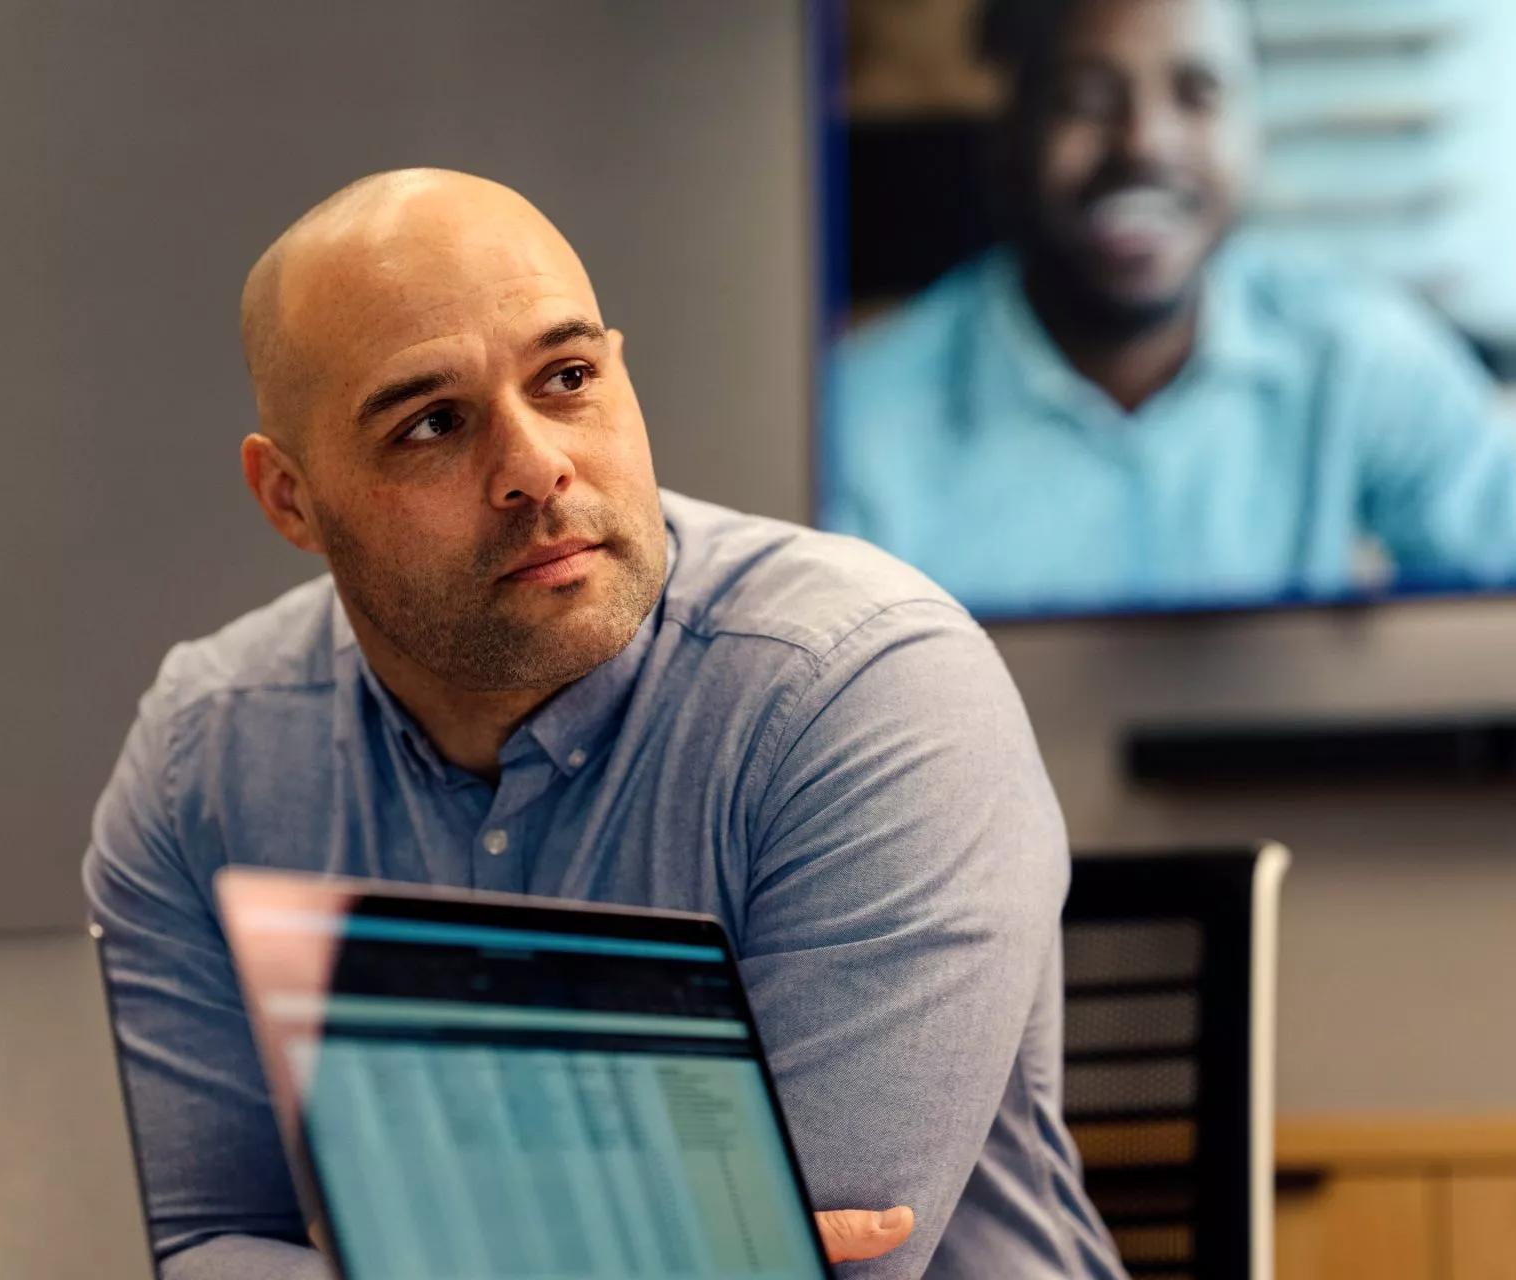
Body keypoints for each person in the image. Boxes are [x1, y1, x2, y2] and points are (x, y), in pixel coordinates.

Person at [83, 168, 1126, 1280]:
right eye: (432, 423)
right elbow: (207, 1242)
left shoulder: (872, 689)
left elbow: (838, 1261)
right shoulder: (210, 752)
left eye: (568, 377)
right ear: (290, 498)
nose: (537, 467)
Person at [828, 0, 1516, 614]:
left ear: (1252, 128)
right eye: (1086, 100)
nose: (1146, 144)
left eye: (1199, 94)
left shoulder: (1352, 354)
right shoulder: (858, 425)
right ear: (1011, 134)